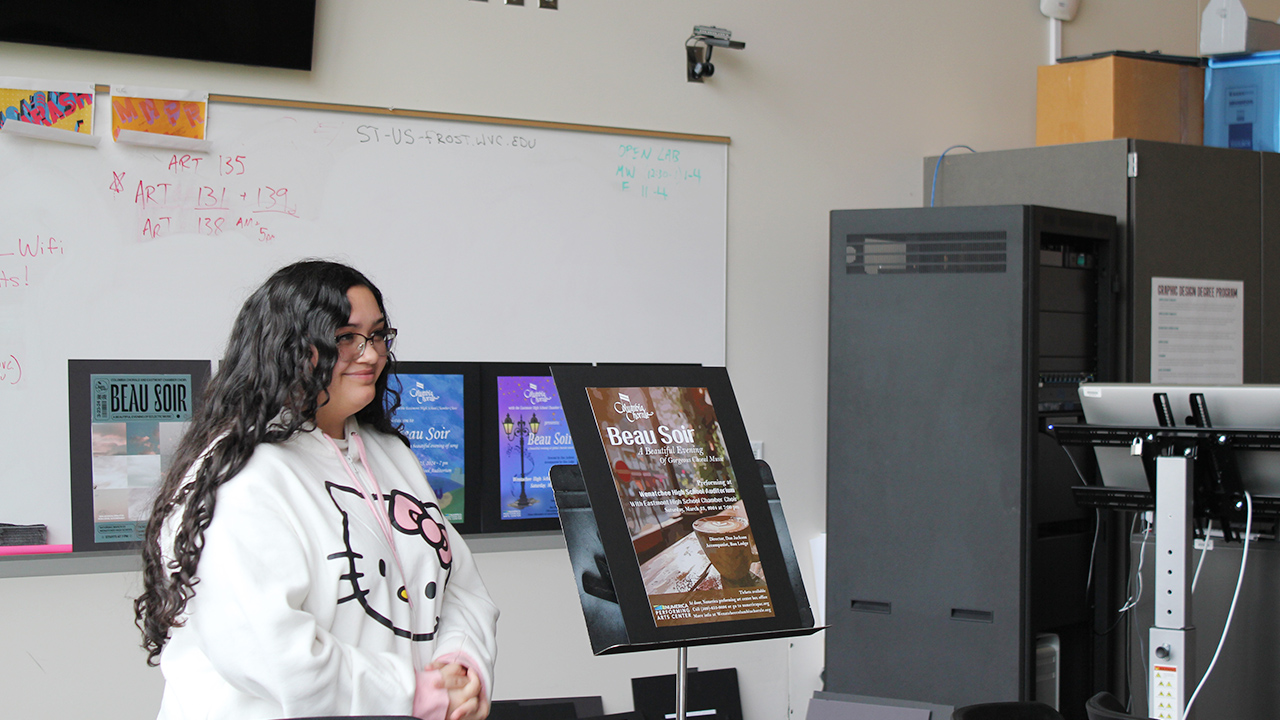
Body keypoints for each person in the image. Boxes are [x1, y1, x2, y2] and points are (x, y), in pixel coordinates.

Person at [134, 260, 497, 720]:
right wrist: (415, 693)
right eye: (345, 337)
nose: (370, 354)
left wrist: (459, 667)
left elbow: (458, 585)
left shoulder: (389, 453)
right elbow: (270, 650)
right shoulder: (239, 474)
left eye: (377, 335)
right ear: (286, 347)